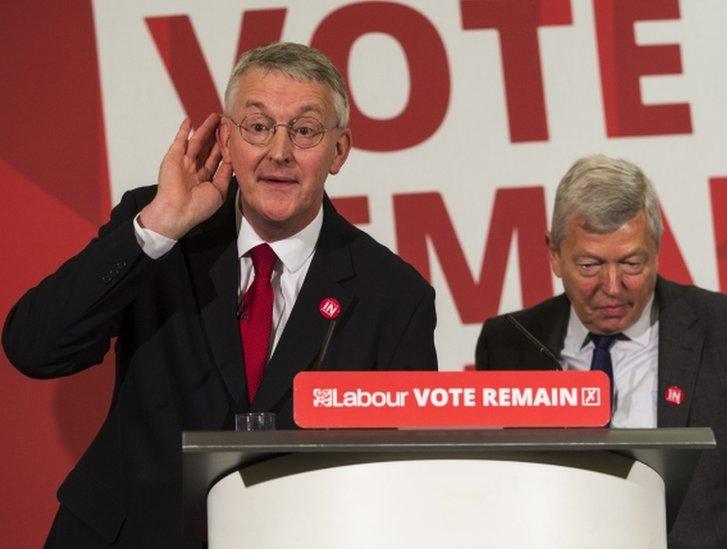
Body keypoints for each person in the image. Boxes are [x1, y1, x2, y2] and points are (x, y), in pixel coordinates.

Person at [3, 42, 437, 548]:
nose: (279, 152)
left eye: (304, 130)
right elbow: (34, 349)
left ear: (338, 150)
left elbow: (401, 477)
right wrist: (160, 228)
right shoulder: (161, 227)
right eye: (257, 127)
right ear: (227, 141)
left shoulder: (394, 296)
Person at [476, 154, 727, 548]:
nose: (612, 286)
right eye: (589, 265)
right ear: (554, 254)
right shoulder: (509, 344)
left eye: (632, 263)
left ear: (657, 248)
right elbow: (498, 494)